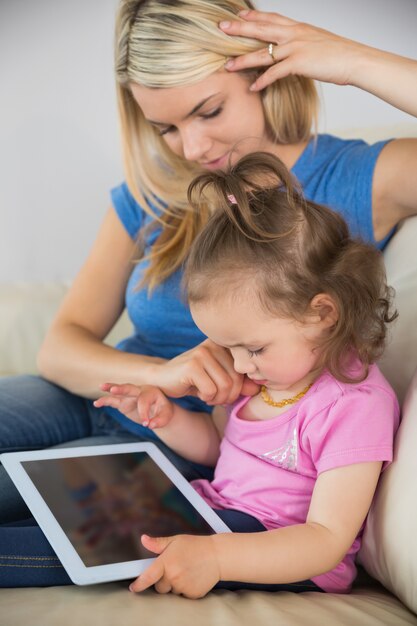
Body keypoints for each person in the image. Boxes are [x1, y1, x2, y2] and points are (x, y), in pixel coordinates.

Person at [0, 0, 415, 586]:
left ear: (264, 73)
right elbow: (59, 350)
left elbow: (311, 528)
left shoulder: (355, 179)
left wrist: (352, 61)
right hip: (113, 398)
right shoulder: (148, 195)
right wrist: (159, 377)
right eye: (165, 127)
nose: (191, 149)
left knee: (47, 537)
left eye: (209, 110)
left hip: (183, 454)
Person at [94, 151, 400, 597]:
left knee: (87, 544)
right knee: (79, 512)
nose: (237, 364)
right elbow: (220, 449)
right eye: (229, 348)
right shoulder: (266, 378)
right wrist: (166, 417)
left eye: (253, 348)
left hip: (273, 548)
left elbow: (326, 539)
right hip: (218, 513)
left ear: (323, 314)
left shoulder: (354, 403)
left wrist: (218, 556)